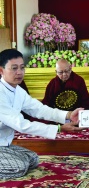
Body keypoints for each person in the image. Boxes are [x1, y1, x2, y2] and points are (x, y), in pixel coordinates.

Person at [0, 49, 83, 179]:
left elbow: (40, 109)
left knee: (33, 159)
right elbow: (21, 125)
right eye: (14, 68)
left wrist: (68, 114)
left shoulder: (18, 90)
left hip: (4, 145)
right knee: (19, 167)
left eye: (22, 68)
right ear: (1, 70)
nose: (19, 72)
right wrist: (59, 128)